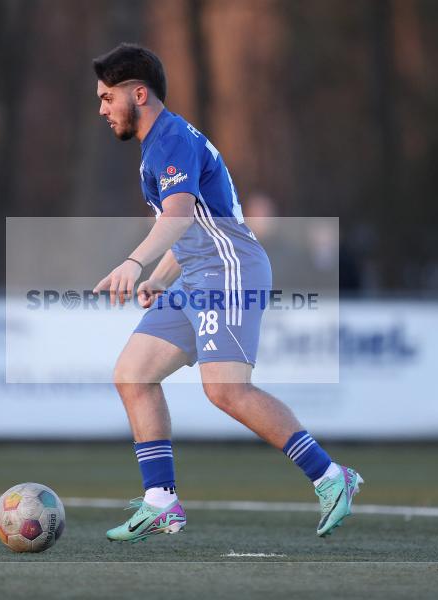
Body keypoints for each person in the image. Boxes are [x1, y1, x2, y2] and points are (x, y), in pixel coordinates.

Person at [91, 43, 362, 543]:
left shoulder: (169, 140)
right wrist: (161, 278)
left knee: (226, 390)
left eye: (108, 98)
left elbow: (177, 218)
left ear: (139, 93)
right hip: (198, 273)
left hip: (227, 271)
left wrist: (134, 263)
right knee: (132, 374)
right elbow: (187, 226)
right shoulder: (158, 144)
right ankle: (161, 502)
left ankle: (331, 477)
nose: (103, 109)